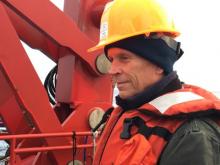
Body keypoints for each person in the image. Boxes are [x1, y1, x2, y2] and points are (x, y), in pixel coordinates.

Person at [89, 0, 220, 164]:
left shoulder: (192, 134)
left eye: (124, 58)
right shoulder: (128, 111)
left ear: (158, 64)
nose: (112, 70)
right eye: (112, 59)